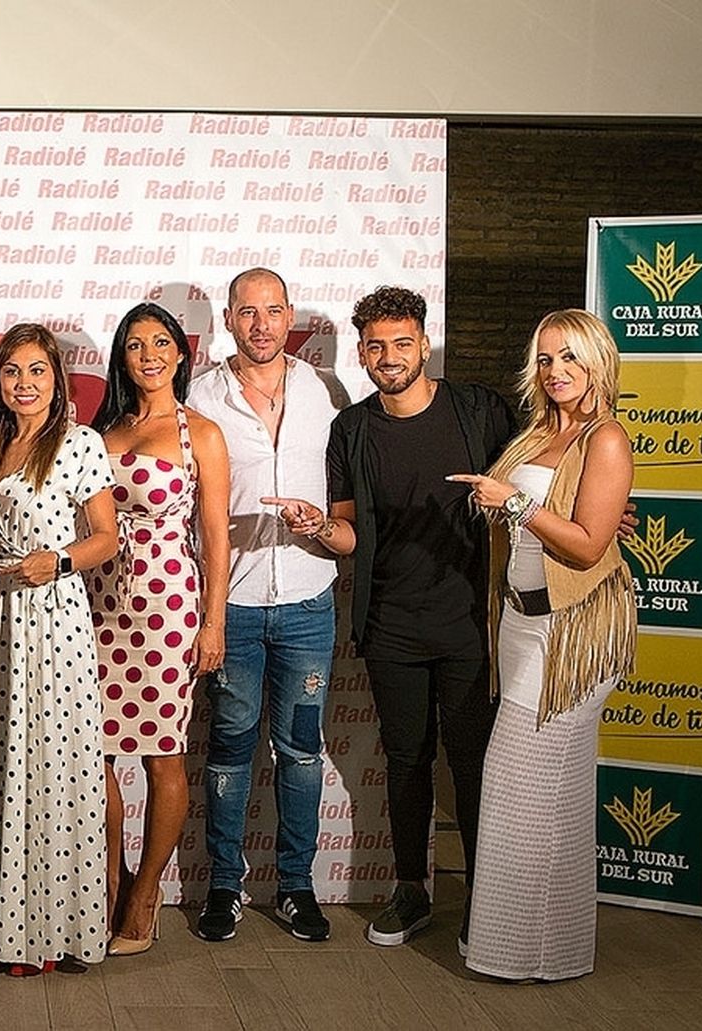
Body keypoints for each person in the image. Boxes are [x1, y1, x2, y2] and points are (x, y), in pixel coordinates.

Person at [266, 285, 517, 948]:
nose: (389, 356)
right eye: (376, 346)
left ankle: (487, 898)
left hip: (472, 625)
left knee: (474, 763)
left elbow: (539, 474)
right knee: (406, 761)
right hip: (391, 627)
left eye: (402, 343)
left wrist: (597, 507)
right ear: (361, 353)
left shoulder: (478, 410)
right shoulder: (352, 430)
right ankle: (411, 890)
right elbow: (349, 534)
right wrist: (318, 527)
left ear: (424, 345)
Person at [449, 309, 635, 981]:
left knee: (517, 784)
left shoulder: (605, 437)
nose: (557, 371)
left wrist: (517, 504)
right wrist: (508, 505)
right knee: (551, 794)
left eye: (571, 357)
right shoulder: (535, 432)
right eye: (548, 358)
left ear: (597, 362)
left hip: (575, 630)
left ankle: (519, 948)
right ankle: (547, 949)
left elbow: (585, 546)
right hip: (521, 620)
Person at [186, 268, 347, 943]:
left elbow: (346, 496)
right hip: (234, 605)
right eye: (247, 312)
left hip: (309, 598)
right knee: (229, 747)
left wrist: (320, 523)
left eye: (273, 310)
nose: (261, 324)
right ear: (229, 318)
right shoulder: (200, 395)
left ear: (290, 316)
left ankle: (296, 887)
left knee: (301, 750)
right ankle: (224, 886)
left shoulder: (324, 391)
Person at [87, 303, 229, 955]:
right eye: (136, 344)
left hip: (168, 606)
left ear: (180, 353)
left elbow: (216, 537)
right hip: (95, 605)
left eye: (161, 342)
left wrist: (213, 622)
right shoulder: (102, 430)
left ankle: (146, 896)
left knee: (162, 753)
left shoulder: (202, 433)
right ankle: (109, 883)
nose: (149, 354)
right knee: (95, 755)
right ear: (122, 356)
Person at [0, 322, 119, 975]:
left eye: (37, 370)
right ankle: (10, 927)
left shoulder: (79, 441)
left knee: (53, 765)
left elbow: (107, 538)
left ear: (57, 379)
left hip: (54, 619)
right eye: (12, 372)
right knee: (10, 765)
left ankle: (54, 933)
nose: (24, 383)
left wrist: (57, 561)